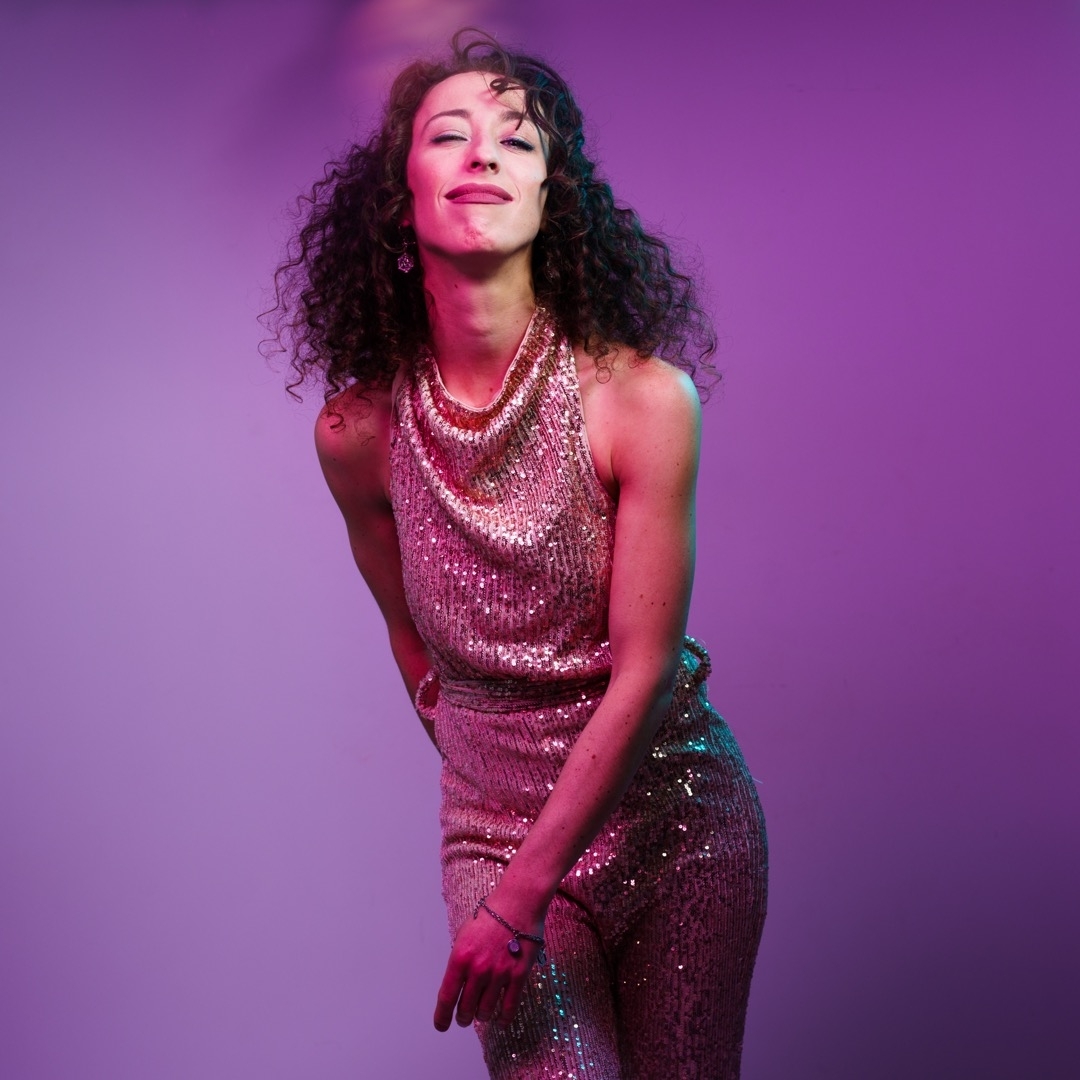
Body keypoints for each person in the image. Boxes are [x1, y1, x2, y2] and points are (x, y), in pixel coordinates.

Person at [268, 29, 768, 1080]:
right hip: (495, 833)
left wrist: (517, 900)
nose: (484, 152)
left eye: (517, 139)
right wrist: (498, 800)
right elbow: (412, 643)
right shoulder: (357, 434)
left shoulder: (642, 400)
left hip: (677, 818)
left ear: (552, 198)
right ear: (401, 201)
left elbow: (644, 671)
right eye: (449, 134)